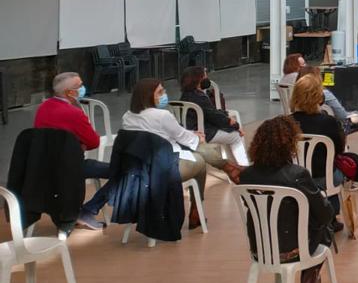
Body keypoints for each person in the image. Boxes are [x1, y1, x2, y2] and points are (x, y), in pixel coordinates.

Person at [82, 78, 243, 231]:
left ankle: (225, 171)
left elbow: (162, 135)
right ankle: (200, 204)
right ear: (148, 96)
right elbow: (182, 137)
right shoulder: (162, 116)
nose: (164, 95)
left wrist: (190, 137)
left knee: (198, 151)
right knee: (200, 159)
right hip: (163, 168)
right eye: (160, 92)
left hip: (141, 166)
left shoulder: (128, 116)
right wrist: (197, 137)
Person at [240, 116, 335, 283]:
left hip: (261, 249)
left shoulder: (247, 175)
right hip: (294, 248)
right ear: (290, 144)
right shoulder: (297, 174)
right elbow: (325, 214)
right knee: (325, 226)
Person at [34, 72, 106, 230]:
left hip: (44, 166)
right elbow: (94, 142)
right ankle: (88, 210)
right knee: (123, 170)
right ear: (69, 92)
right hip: (71, 167)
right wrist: (80, 145)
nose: (82, 88)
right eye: (79, 86)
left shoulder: (42, 108)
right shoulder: (74, 114)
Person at [290, 75, 347, 221]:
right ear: (319, 97)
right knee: (338, 170)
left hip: (294, 178)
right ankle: (331, 215)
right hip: (324, 177)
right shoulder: (330, 122)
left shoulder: (286, 123)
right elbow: (339, 149)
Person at [179, 66, 249, 166]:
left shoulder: (184, 96)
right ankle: (243, 166)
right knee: (235, 136)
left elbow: (212, 114)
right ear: (198, 79)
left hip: (188, 132)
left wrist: (227, 119)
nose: (207, 79)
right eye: (205, 76)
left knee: (230, 131)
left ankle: (236, 166)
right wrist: (235, 125)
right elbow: (216, 118)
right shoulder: (200, 97)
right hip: (202, 133)